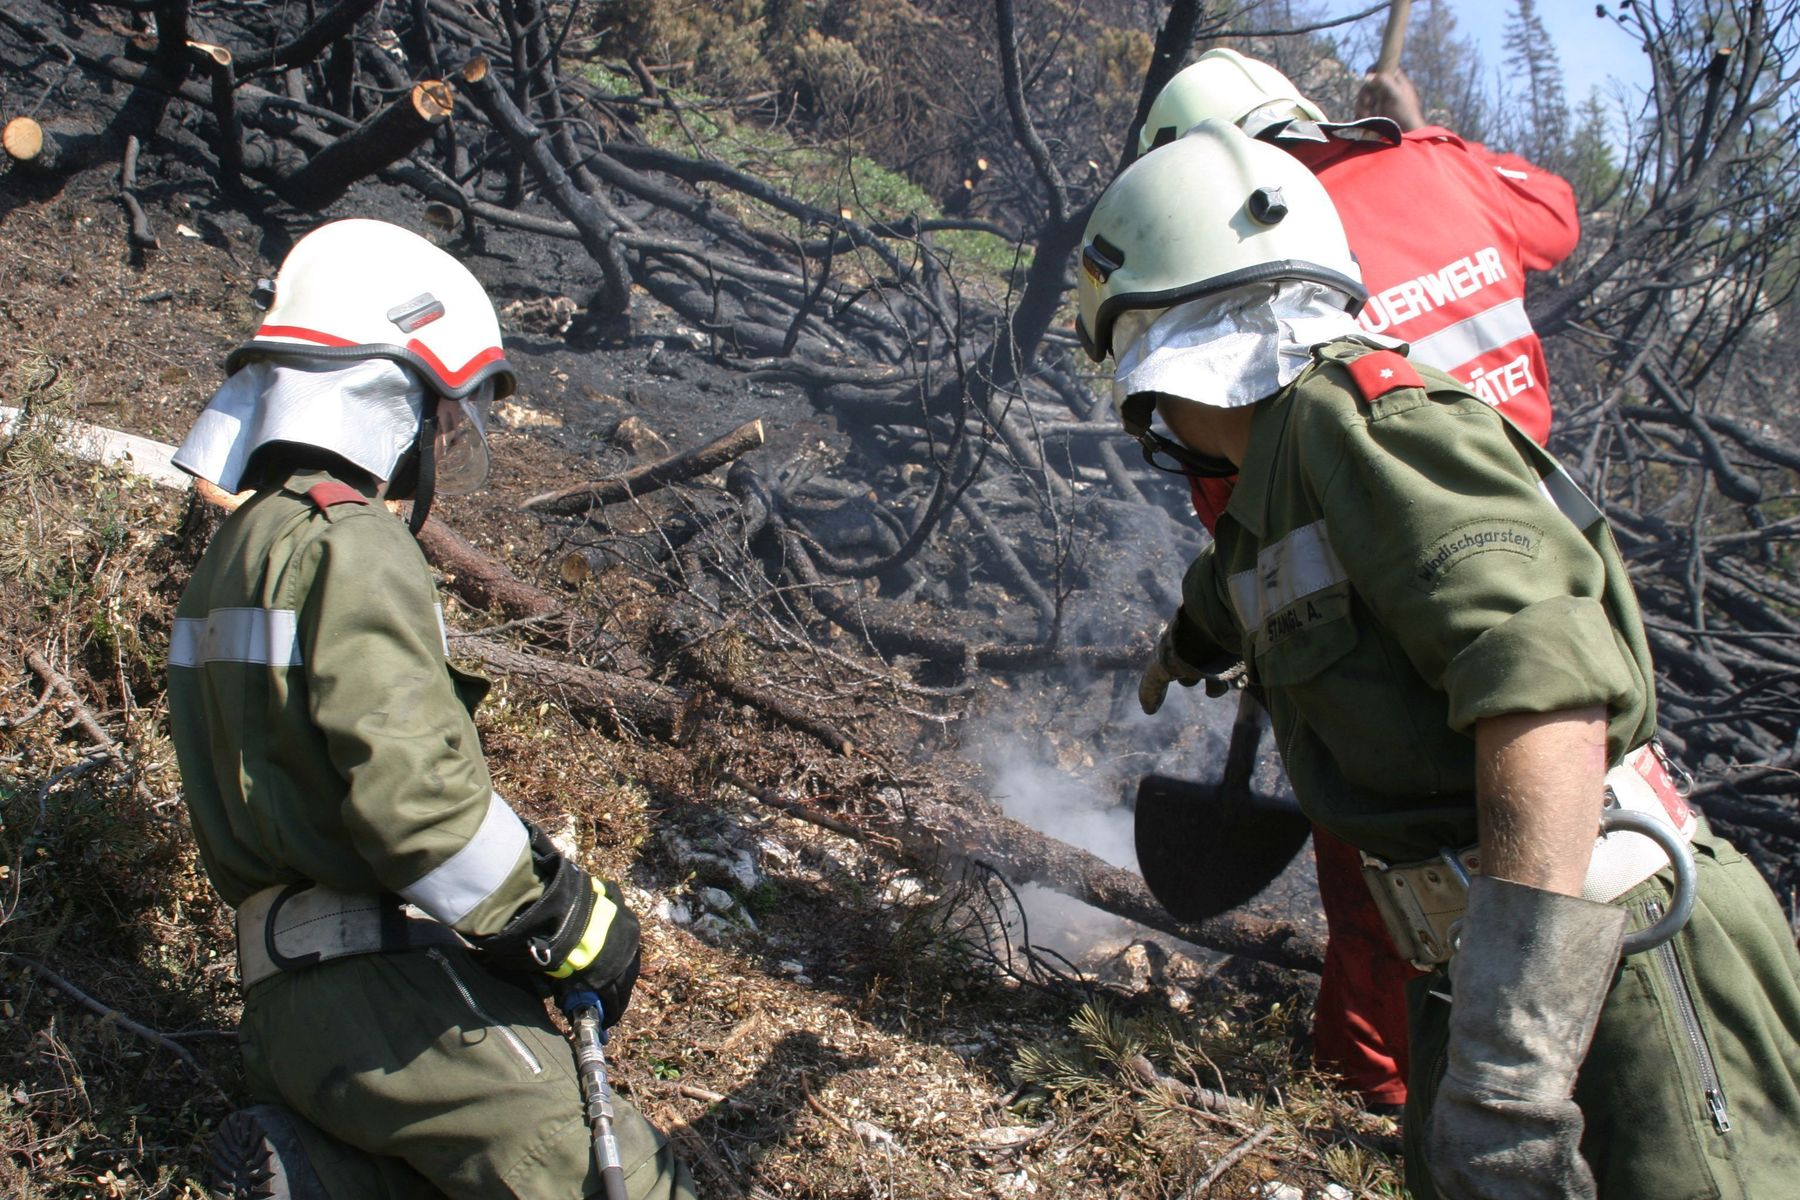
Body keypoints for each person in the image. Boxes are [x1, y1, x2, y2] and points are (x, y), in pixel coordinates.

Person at [1078, 119, 1800, 1198]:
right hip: (1487, 968)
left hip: (1608, 960)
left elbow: (1546, 699)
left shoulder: (1369, 427)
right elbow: (1249, 581)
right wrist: (1183, 645)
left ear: (1165, 349)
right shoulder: (1278, 478)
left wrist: (1512, 1077)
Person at [166, 218, 695, 1200]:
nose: (442, 440)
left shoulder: (232, 556)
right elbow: (419, 811)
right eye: (438, 413)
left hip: (284, 1015)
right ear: (381, 391)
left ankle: (323, 1176)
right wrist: (566, 916)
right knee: (624, 1180)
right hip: (387, 1001)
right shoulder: (353, 543)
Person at [1133, 48, 1581, 1109]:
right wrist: (1421, 127)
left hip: (1387, 603)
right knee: (1548, 846)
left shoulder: (1264, 271)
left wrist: (1249, 622)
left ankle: (1369, 1094)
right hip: (1548, 571)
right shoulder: (1444, 166)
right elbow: (1556, 219)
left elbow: (1245, 498)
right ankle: (1512, 1077)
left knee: (1380, 851)